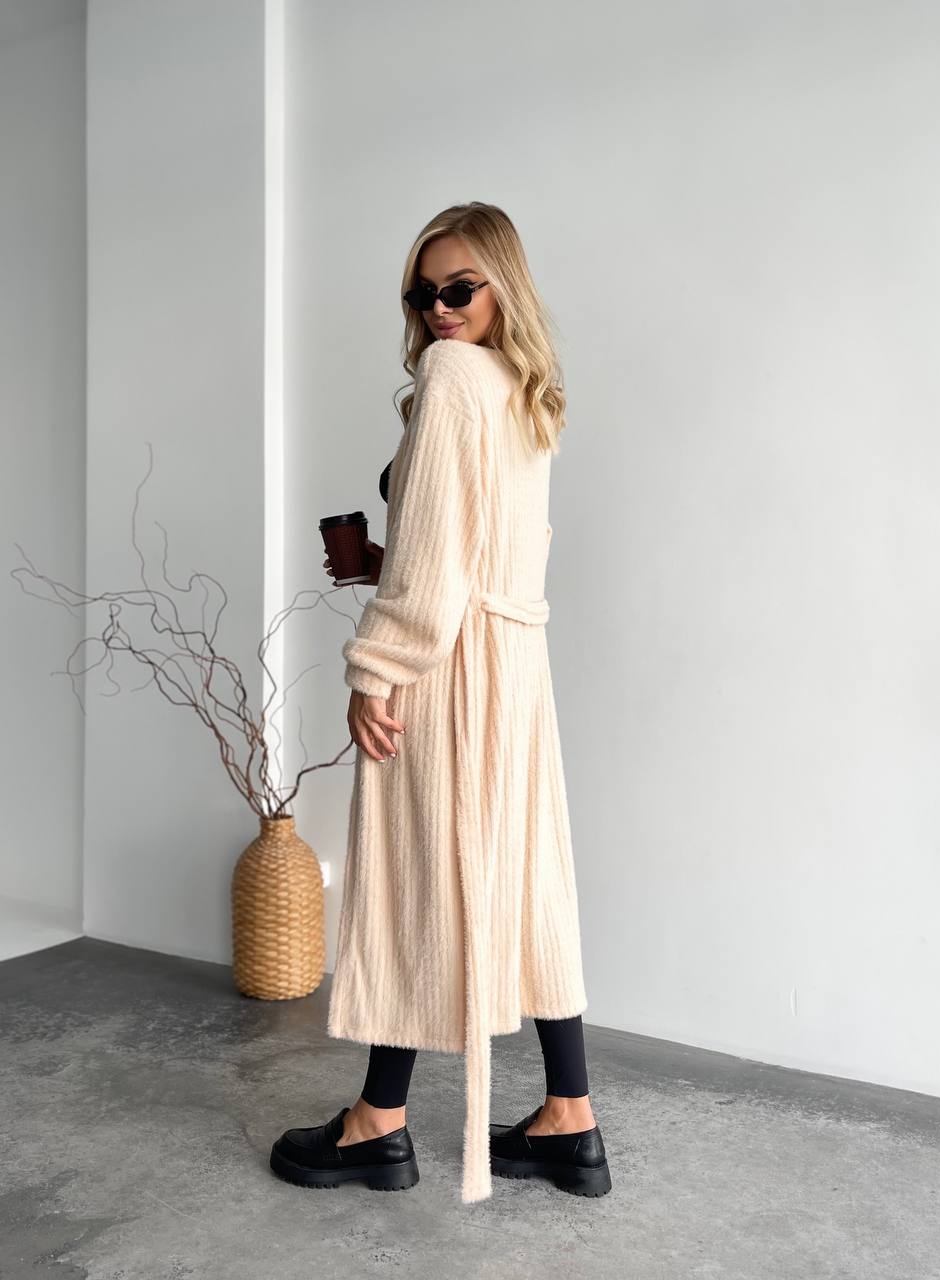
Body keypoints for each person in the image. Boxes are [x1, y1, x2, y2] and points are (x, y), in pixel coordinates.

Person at [270, 203, 611, 1202]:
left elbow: (430, 577)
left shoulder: (453, 379)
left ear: (503, 284)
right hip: (513, 663)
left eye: (458, 287)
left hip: (449, 667)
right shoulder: (525, 390)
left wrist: (375, 662)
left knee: (418, 875)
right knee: (526, 876)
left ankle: (376, 1122)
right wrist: (385, 564)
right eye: (423, 294)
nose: (438, 307)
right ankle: (569, 1116)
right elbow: (471, 549)